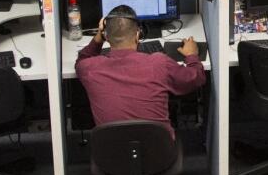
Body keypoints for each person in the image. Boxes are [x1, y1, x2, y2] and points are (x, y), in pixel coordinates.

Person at [75, 7, 205, 138]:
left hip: (111, 155)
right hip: (159, 154)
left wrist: (99, 37)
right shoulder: (159, 63)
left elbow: (82, 59)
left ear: (106, 36)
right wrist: (192, 55)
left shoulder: (90, 68)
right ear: (138, 35)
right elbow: (196, 78)